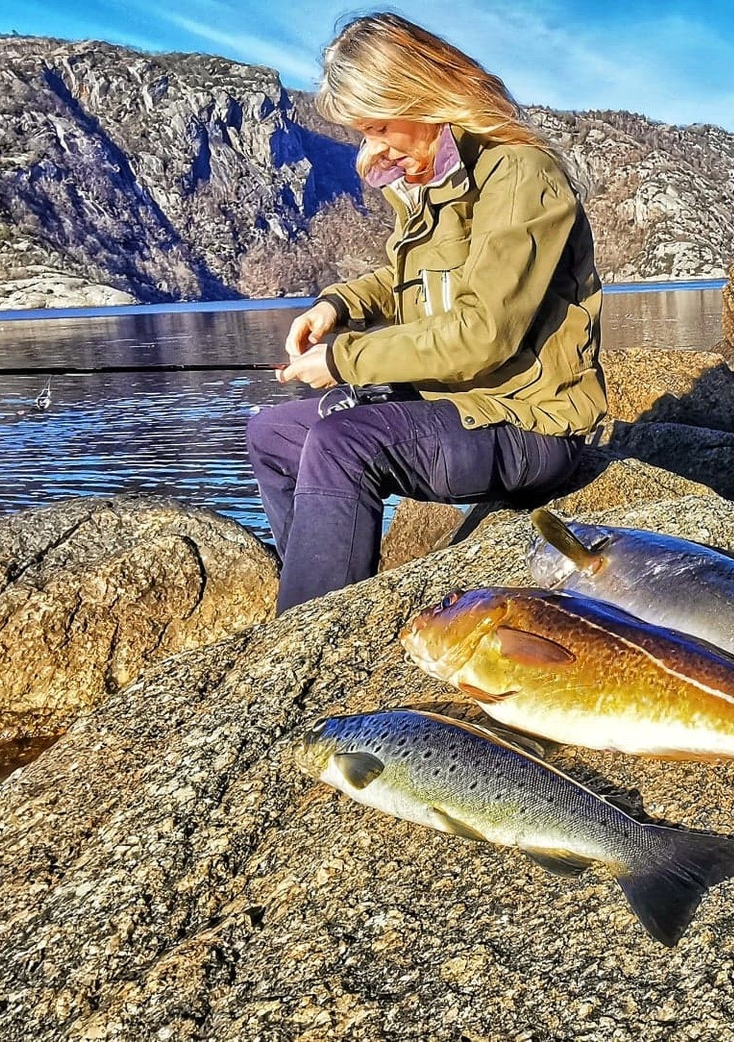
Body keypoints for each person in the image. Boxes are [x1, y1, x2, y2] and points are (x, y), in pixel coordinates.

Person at [246, 12, 608, 613]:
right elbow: (404, 279)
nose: (373, 148)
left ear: (421, 92)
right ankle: (320, 605)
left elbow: (482, 333)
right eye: (364, 133)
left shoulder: (521, 175)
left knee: (345, 443)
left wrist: (346, 361)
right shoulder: (430, 182)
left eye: (379, 126)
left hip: (532, 421)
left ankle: (305, 644)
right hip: (456, 406)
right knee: (273, 434)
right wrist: (338, 305)